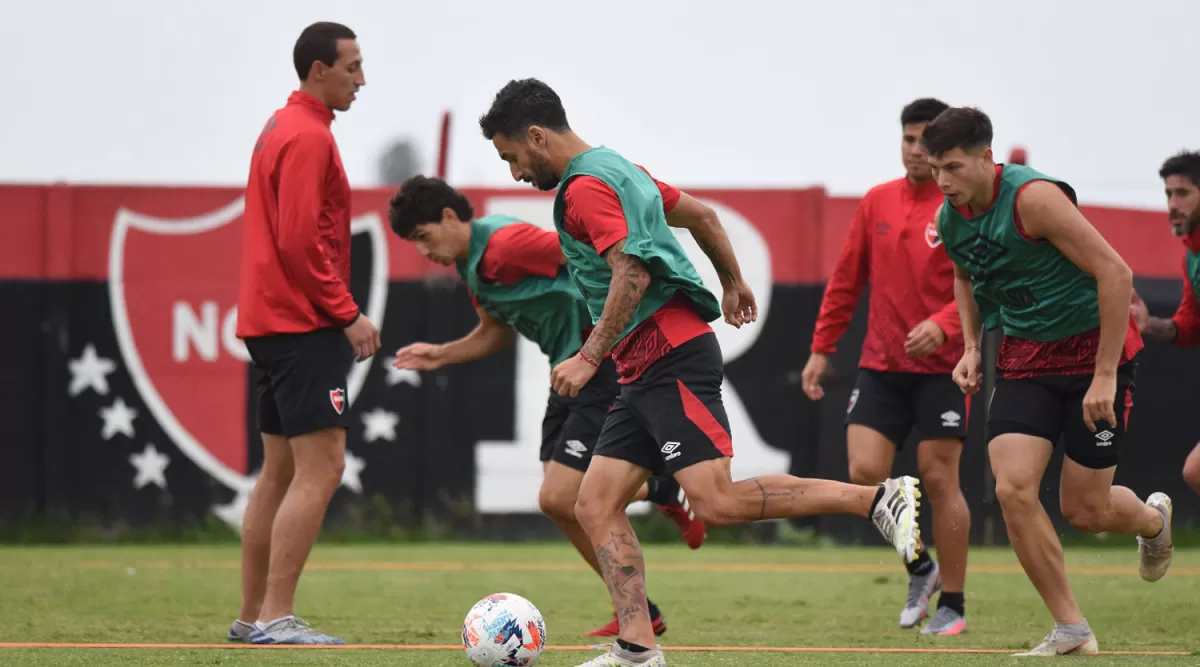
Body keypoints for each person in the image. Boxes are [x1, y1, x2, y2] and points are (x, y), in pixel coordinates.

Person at [479, 78, 923, 667]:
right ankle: (637, 649)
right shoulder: (618, 168)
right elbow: (704, 217)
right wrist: (733, 280)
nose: (514, 173)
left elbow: (631, 271)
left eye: (511, 157)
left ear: (536, 136)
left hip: (667, 353)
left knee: (717, 503)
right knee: (593, 502)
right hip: (642, 365)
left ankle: (876, 499)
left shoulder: (585, 188)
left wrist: (588, 357)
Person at [385, 175, 707, 638]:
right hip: (567, 373)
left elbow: (593, 258)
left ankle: (658, 500)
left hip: (598, 363)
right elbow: (494, 331)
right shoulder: (471, 266)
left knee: (561, 496)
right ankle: (642, 597)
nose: (424, 250)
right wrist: (441, 353)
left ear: (450, 217)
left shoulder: (504, 243)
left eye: (423, 236)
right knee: (562, 505)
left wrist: (600, 339)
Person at [925, 106, 1173, 657]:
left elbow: (1117, 273)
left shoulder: (1033, 199)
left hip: (1093, 353)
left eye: (953, 167)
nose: (942, 181)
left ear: (987, 159)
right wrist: (969, 346)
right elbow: (965, 275)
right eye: (935, 167)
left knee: (1086, 511)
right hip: (1025, 359)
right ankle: (1071, 629)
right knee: (1012, 488)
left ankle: (1153, 522)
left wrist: (1104, 375)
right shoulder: (950, 216)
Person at [230, 21, 377, 646]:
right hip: (302, 323)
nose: (361, 79)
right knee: (322, 468)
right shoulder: (308, 135)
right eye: (352, 67)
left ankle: (251, 616)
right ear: (319, 70)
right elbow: (298, 241)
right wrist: (346, 312)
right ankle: (275, 618)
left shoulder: (277, 127)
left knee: (279, 473)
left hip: (268, 321)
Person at [801, 97, 971, 635]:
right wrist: (821, 347)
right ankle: (921, 567)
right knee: (865, 475)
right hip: (880, 364)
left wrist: (944, 323)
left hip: (944, 367)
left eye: (926, 140)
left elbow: (981, 285)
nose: (916, 149)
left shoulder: (961, 206)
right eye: (908, 138)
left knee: (940, 478)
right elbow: (847, 279)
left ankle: (955, 606)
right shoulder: (876, 201)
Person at [1130, 150, 1200, 497]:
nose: (1172, 204)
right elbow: (1188, 324)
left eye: (1183, 193)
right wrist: (1149, 324)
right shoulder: (1193, 256)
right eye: (1168, 194)